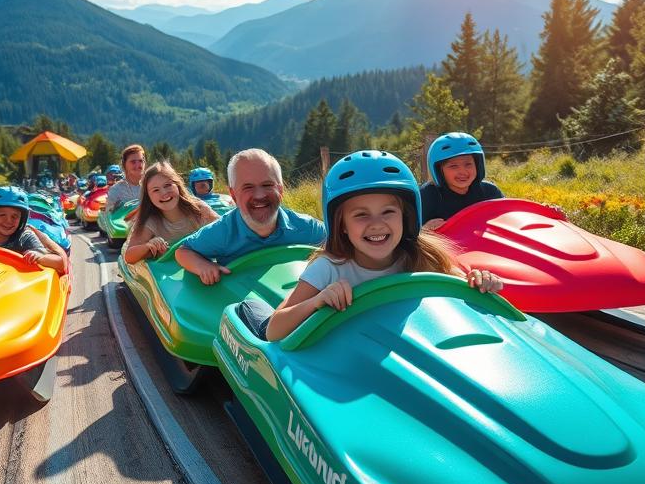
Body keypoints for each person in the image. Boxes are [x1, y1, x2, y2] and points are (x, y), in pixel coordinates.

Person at [260, 150, 502, 341]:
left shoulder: (421, 255)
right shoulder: (330, 267)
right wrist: (317, 301)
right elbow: (274, 329)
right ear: (341, 224)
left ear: (405, 217)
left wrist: (480, 280)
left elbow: (462, 284)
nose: (377, 224)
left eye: (388, 212)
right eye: (361, 215)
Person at [175, 148, 326, 285]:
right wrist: (203, 266)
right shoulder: (223, 231)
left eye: (267, 185)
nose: (259, 195)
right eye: (248, 187)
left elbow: (338, 243)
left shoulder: (307, 228)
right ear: (233, 195)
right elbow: (184, 251)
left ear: (280, 190)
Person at [0, 186, 69, 274]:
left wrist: (40, 257)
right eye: (2, 215)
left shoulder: (23, 237)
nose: (8, 221)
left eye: (15, 217)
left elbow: (59, 263)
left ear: (22, 219)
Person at [122, 161, 219, 263]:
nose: (164, 193)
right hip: (169, 274)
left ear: (177, 185)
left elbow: (225, 230)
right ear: (148, 197)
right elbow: (129, 256)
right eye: (156, 190)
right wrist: (148, 246)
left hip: (203, 266)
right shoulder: (150, 221)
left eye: (168, 185)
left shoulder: (199, 209)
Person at [420, 132, 504, 229]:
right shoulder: (427, 197)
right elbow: (408, 236)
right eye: (453, 166)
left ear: (477, 165)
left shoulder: (489, 192)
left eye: (468, 164)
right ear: (439, 171)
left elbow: (508, 220)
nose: (462, 172)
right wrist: (424, 231)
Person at [105, 144, 146, 214]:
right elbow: (110, 216)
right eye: (133, 162)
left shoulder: (150, 185)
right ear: (124, 164)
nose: (138, 165)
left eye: (141, 161)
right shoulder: (116, 190)